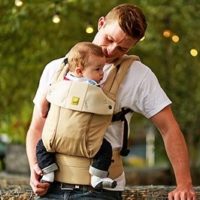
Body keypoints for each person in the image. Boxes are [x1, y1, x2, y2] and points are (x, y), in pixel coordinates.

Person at [26, 3, 196, 200]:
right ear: (101, 24)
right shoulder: (56, 69)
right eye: (109, 39)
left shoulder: (138, 76)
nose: (111, 50)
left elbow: (169, 128)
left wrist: (184, 184)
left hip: (99, 191)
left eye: (122, 48)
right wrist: (34, 168)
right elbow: (37, 128)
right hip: (50, 187)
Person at [36, 41, 117, 189]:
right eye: (98, 69)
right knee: (105, 148)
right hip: (87, 143)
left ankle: (48, 173)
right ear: (80, 71)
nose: (102, 74)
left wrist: (43, 107)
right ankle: (97, 177)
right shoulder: (94, 86)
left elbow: (45, 104)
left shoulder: (61, 80)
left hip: (54, 138)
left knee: (41, 145)